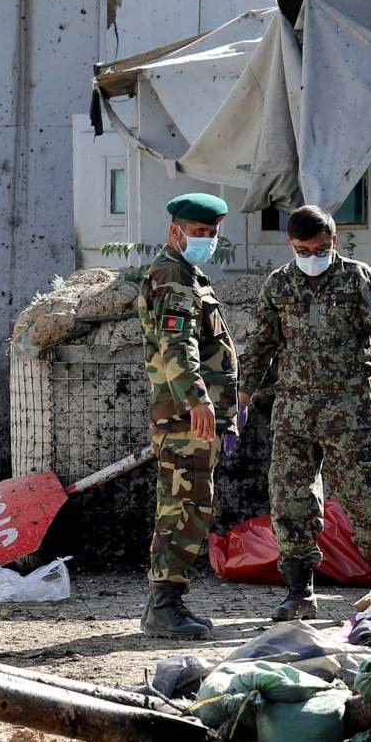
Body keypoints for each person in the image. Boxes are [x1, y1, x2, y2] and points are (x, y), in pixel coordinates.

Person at [239, 203, 371, 621]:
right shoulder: (278, 285)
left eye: (319, 248)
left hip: (348, 411)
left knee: (365, 497)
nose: (311, 257)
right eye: (302, 249)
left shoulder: (360, 280)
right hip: (293, 412)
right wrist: (242, 397)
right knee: (290, 499)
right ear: (290, 245)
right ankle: (299, 593)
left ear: (334, 241)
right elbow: (261, 343)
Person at [134, 191, 240, 641]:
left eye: (212, 234)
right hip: (184, 418)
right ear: (175, 230)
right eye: (199, 233)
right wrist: (198, 400)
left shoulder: (188, 275)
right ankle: (163, 607)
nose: (206, 240)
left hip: (192, 418)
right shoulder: (173, 277)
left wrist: (228, 411)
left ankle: (169, 603)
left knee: (189, 505)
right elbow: (177, 346)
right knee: (182, 508)